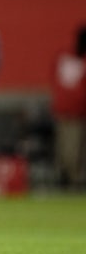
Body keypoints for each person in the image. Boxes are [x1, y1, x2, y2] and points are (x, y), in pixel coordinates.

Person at [51, 25, 86, 190]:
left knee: (73, 149)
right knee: (68, 149)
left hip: (76, 111)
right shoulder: (65, 57)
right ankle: (69, 180)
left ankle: (73, 180)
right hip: (67, 111)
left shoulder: (66, 57)